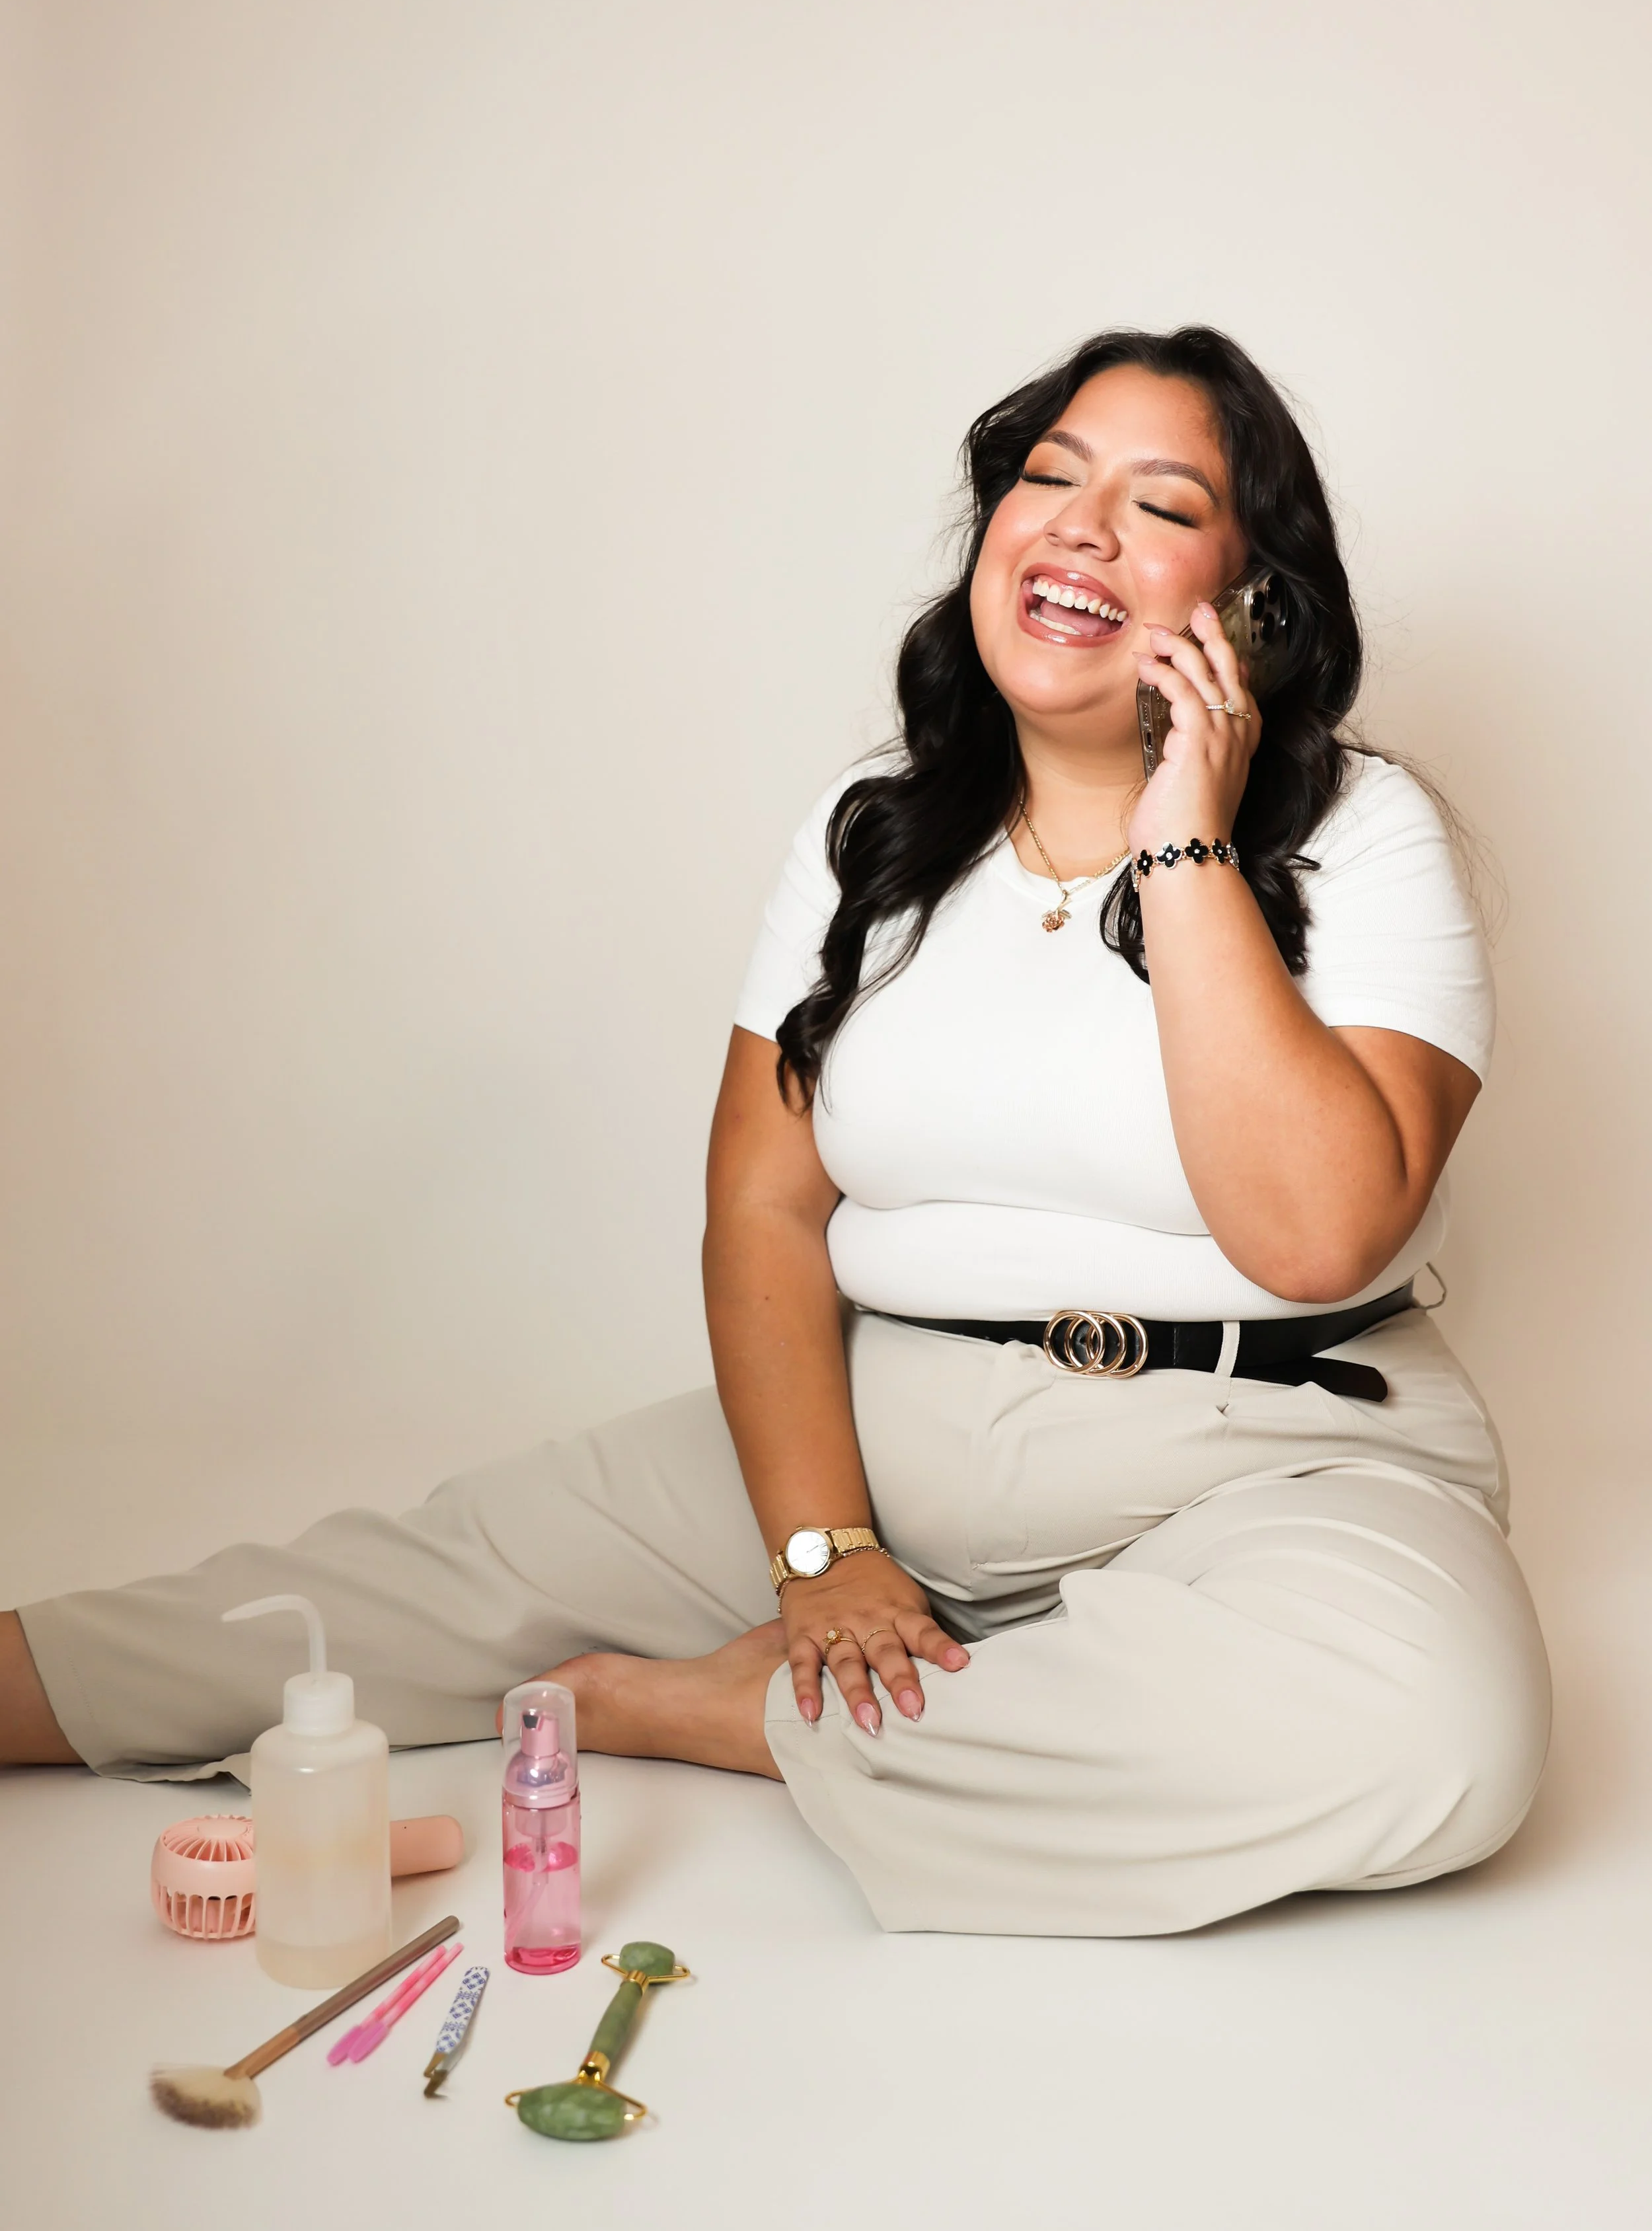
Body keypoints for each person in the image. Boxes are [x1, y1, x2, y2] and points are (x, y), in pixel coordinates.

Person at [0, 327, 1550, 1936]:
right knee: (410, 1585)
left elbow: (1314, 1230)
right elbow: (760, 1204)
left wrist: (1181, 845)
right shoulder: (869, 833)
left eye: (1159, 507)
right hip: (885, 1420)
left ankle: (737, 1716)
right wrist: (819, 1546)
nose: (1079, 528)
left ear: (1253, 603)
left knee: (1433, 1732)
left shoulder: (1359, 837)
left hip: (1272, 1454)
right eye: (1046, 478)